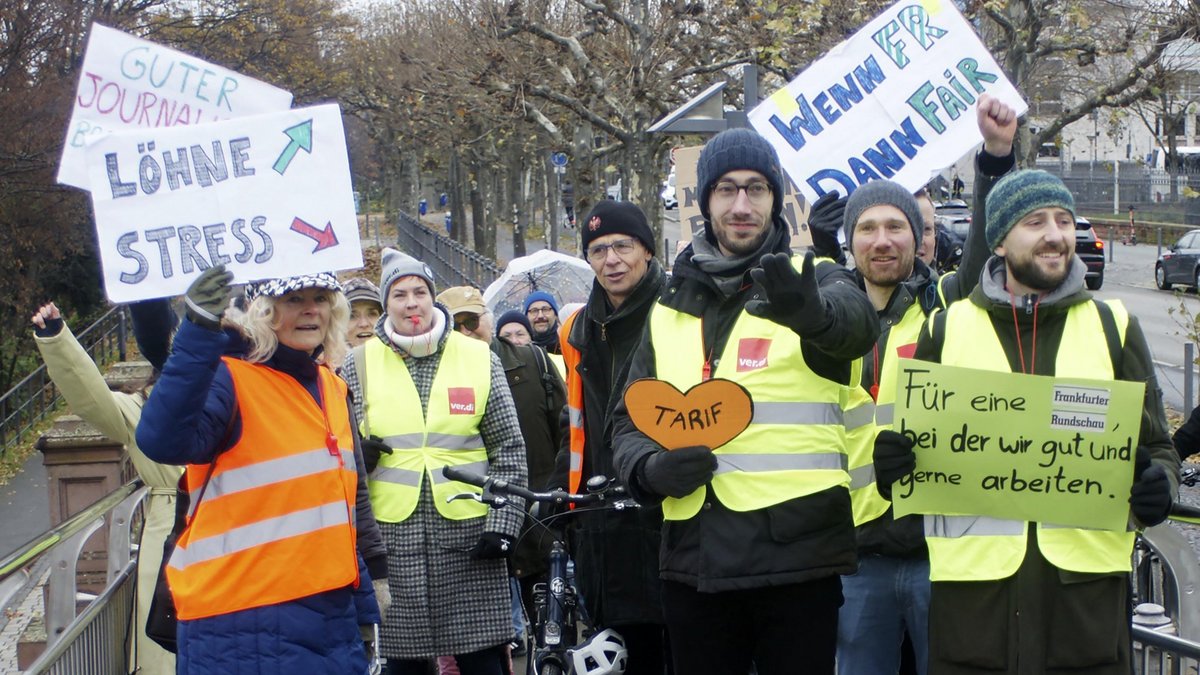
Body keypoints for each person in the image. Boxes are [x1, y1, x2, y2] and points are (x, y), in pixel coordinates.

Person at [874, 170, 1178, 675]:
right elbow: (908, 465)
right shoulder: (946, 331)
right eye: (1035, 221)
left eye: (1062, 220)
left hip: (1084, 616)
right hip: (976, 617)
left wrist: (1158, 487)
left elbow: (1158, 448)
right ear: (999, 239)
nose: (1056, 234)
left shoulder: (1114, 328)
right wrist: (892, 468)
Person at [610, 127, 879, 675]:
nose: (741, 205)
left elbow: (856, 329)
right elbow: (626, 421)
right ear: (705, 200)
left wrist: (812, 315)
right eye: (726, 189)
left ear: (776, 200)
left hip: (797, 564)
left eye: (756, 189)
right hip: (695, 562)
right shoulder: (669, 304)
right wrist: (650, 468)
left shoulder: (816, 277)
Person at [820, 94, 1017, 675]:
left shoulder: (948, 301)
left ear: (918, 238)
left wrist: (995, 160)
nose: (883, 240)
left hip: (943, 549)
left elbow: (987, 252)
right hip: (857, 556)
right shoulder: (825, 316)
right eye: (869, 228)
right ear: (850, 241)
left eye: (896, 227)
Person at [135, 267, 380, 673]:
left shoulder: (331, 387)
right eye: (293, 300)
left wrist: (364, 600)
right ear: (263, 310)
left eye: (320, 299)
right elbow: (163, 441)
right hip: (241, 624)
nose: (310, 311)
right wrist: (197, 330)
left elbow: (344, 503)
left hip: (325, 615)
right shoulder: (230, 376)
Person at [343, 248, 528, 675]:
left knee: (483, 664)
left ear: (433, 298)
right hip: (393, 545)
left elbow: (509, 450)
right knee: (404, 668)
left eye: (420, 292)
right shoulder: (358, 363)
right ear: (387, 304)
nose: (412, 303)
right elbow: (336, 452)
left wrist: (503, 526)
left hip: (470, 540)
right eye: (400, 294)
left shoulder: (479, 356)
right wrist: (358, 456)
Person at [552, 199, 672, 674]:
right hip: (602, 519)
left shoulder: (676, 311)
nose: (611, 259)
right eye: (599, 250)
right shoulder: (578, 328)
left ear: (645, 249)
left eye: (622, 245)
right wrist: (564, 486)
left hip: (666, 506)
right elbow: (576, 417)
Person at [31, 298, 180, 673]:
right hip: (171, 540)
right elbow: (89, 396)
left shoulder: (237, 394)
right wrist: (56, 339)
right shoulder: (142, 409)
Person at [439, 284, 566, 658]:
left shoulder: (533, 362)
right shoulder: (439, 377)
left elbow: (567, 428)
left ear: (488, 321)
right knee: (492, 640)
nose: (466, 330)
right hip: (478, 523)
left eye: (472, 320)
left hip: (540, 516)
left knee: (553, 630)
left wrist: (558, 490)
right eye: (456, 323)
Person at [345, 277, 383, 347]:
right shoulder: (326, 357)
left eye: (372, 314)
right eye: (352, 316)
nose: (364, 324)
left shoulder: (403, 355)